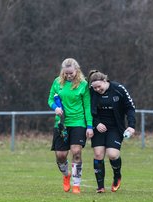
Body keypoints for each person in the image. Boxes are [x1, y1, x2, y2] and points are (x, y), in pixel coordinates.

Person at [47, 58, 94, 194]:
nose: (68, 76)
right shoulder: (57, 82)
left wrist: (89, 126)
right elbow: (50, 99)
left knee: (76, 152)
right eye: (66, 73)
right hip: (62, 123)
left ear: (77, 70)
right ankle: (66, 175)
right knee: (61, 155)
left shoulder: (83, 85)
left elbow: (87, 106)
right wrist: (55, 107)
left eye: (71, 73)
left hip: (78, 122)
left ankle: (76, 185)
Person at [88, 70, 136, 193]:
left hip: (115, 127)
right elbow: (88, 111)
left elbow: (130, 107)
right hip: (98, 127)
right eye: (94, 87)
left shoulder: (118, 89)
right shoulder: (91, 92)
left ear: (105, 81)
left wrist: (131, 125)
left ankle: (117, 176)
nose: (97, 89)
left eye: (99, 86)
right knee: (98, 154)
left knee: (113, 155)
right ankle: (100, 186)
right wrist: (96, 123)